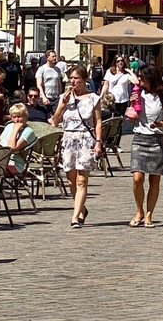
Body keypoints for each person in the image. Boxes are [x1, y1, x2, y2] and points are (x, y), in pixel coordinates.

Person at [51, 64, 102, 229]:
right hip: (69, 138)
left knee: (82, 180)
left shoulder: (93, 97)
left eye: (76, 78)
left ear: (84, 79)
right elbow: (55, 121)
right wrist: (63, 104)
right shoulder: (64, 97)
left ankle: (75, 216)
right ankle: (81, 208)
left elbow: (98, 121)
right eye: (71, 78)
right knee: (71, 180)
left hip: (85, 139)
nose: (73, 81)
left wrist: (99, 142)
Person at [129, 64, 163, 228]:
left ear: (151, 77)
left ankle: (149, 214)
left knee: (154, 180)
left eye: (142, 76)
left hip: (158, 139)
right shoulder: (137, 93)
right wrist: (131, 109)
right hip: (140, 137)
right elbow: (132, 116)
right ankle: (139, 210)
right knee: (137, 178)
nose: (139, 79)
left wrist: (161, 123)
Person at [100, 55, 134, 149]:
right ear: (115, 62)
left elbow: (136, 82)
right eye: (118, 61)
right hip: (111, 100)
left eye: (122, 61)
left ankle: (116, 144)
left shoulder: (126, 74)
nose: (120, 63)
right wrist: (101, 96)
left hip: (122, 100)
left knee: (118, 122)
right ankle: (107, 142)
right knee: (109, 121)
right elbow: (106, 85)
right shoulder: (110, 72)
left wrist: (130, 71)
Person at [0, 102, 38, 175]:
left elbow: (11, 148)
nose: (16, 120)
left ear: (26, 117)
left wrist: (15, 130)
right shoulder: (9, 126)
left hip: (13, 163)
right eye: (14, 117)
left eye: (19, 117)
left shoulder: (28, 132)